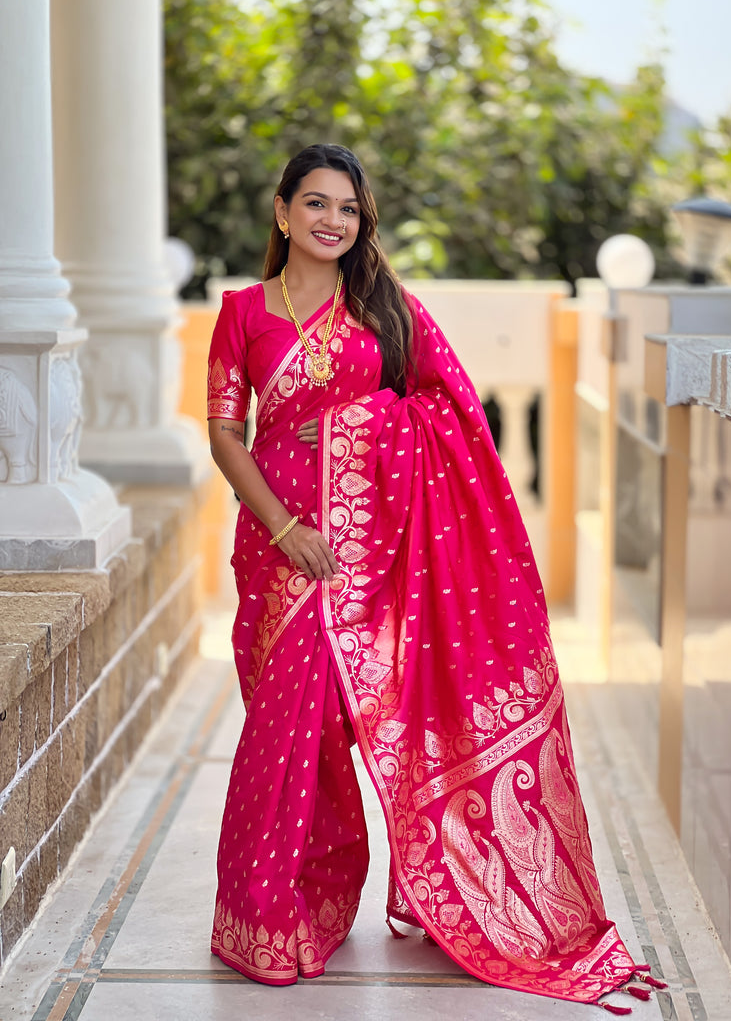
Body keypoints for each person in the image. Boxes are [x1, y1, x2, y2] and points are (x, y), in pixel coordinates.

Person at [206, 144, 662, 1011]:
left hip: (365, 553)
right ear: (281, 212)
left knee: (342, 727)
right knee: (282, 728)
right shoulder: (241, 313)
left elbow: (449, 412)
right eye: (315, 203)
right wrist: (287, 524)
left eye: (347, 207)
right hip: (277, 546)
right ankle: (269, 913)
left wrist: (361, 433)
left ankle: (353, 898)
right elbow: (228, 436)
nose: (331, 220)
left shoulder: (384, 311)